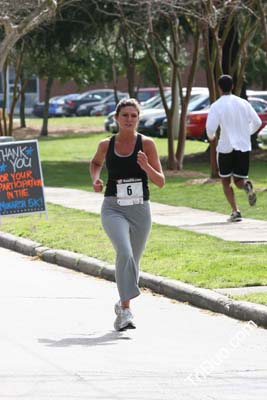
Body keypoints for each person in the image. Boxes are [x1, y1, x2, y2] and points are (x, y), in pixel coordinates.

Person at [89, 98, 165, 331]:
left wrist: (146, 166)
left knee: (134, 260)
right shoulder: (106, 144)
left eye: (133, 116)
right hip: (113, 207)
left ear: (138, 119)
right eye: (125, 115)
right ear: (116, 118)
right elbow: (95, 163)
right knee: (125, 251)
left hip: (140, 208)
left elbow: (160, 181)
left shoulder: (147, 144)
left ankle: (122, 306)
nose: (129, 119)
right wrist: (95, 179)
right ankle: (127, 310)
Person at [206, 74, 262, 222]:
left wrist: (211, 138)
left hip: (225, 147)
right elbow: (257, 122)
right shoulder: (243, 103)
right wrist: (246, 133)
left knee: (225, 181)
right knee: (239, 180)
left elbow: (210, 129)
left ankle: (235, 211)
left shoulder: (216, 105)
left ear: (219, 88)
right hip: (243, 147)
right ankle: (246, 186)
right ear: (232, 86)